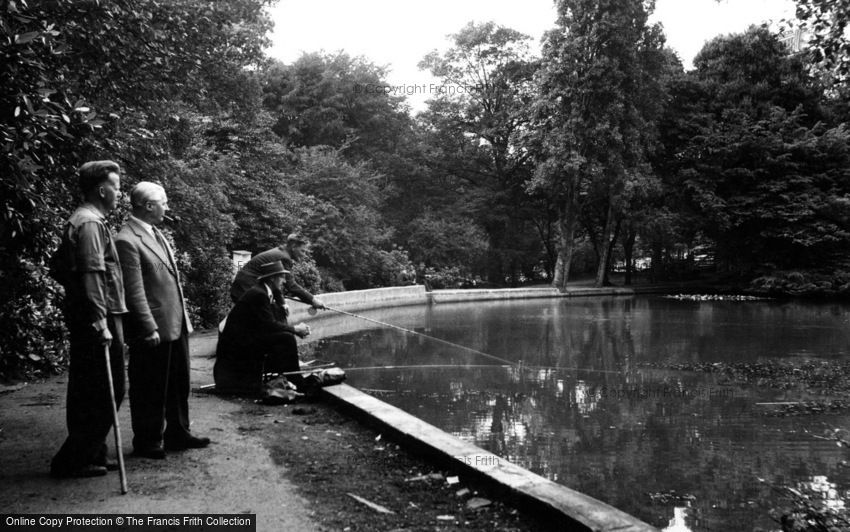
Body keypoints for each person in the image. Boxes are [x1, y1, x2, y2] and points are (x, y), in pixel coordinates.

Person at [115, 182, 209, 459]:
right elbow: (134, 291)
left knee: (178, 382)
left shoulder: (157, 234)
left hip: (174, 323)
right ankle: (147, 440)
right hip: (153, 327)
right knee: (149, 385)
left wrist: (184, 321)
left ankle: (178, 433)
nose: (167, 207)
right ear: (148, 206)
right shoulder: (126, 240)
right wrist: (147, 326)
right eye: (164, 202)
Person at [50, 160, 127, 478]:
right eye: (117, 187)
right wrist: (99, 321)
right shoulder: (91, 224)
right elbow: (92, 276)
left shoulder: (82, 220)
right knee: (108, 388)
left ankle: (92, 451)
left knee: (88, 387)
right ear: (101, 189)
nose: (120, 194)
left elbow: (58, 268)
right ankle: (73, 458)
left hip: (88, 313)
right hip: (97, 314)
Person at [215, 260, 311, 395]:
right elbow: (269, 324)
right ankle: (296, 380)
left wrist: (294, 330)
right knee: (287, 339)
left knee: (284, 337)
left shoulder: (262, 292)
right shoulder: (259, 294)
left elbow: (266, 324)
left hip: (243, 338)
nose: (284, 281)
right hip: (237, 344)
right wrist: (295, 330)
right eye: (281, 277)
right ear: (272, 278)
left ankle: (288, 377)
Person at [230, 233, 326, 311]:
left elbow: (275, 284)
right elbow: (291, 286)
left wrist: (282, 303)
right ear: (293, 246)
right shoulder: (284, 257)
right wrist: (313, 300)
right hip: (245, 288)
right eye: (303, 251)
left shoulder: (282, 252)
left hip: (243, 286)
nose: (304, 255)